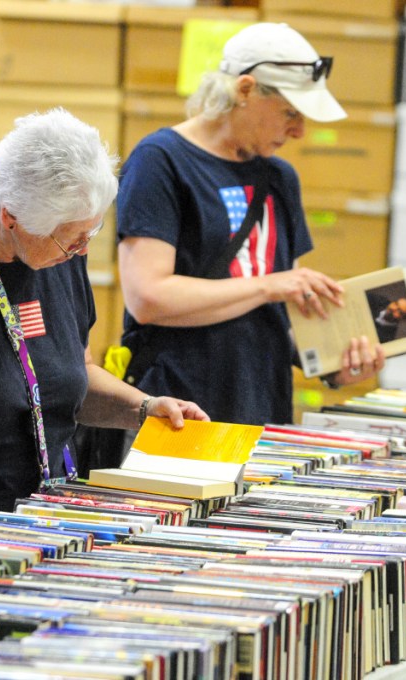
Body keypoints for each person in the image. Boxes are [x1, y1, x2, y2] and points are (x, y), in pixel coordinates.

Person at [0, 108, 208, 532]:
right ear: (11, 217)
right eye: (72, 239)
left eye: (92, 233)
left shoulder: (57, 251)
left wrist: (143, 409)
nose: (82, 250)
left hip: (40, 522)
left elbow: (70, 376)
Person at [115, 22, 386, 425]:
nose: (299, 131)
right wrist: (268, 285)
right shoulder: (161, 160)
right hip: (179, 411)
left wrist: (333, 365)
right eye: (290, 113)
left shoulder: (279, 177)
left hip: (262, 410)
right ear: (244, 90)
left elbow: (281, 316)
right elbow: (148, 297)